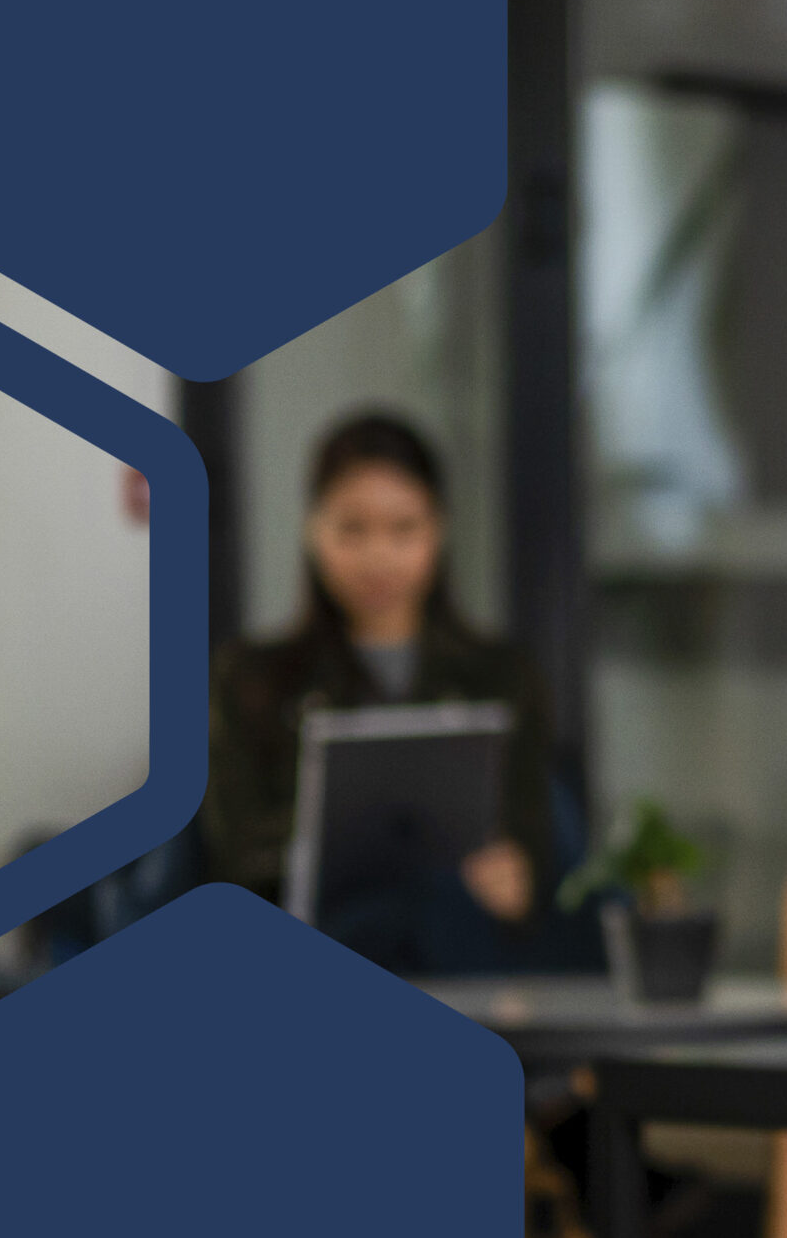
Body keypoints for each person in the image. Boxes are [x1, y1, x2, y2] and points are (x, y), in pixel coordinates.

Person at [201, 412, 553, 973]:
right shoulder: (253, 678)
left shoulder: (502, 677)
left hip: (465, 945)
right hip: (311, 949)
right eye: (352, 529)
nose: (378, 557)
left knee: (443, 915)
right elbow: (234, 854)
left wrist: (516, 875)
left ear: (438, 531)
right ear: (313, 531)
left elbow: (536, 839)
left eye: (403, 529)